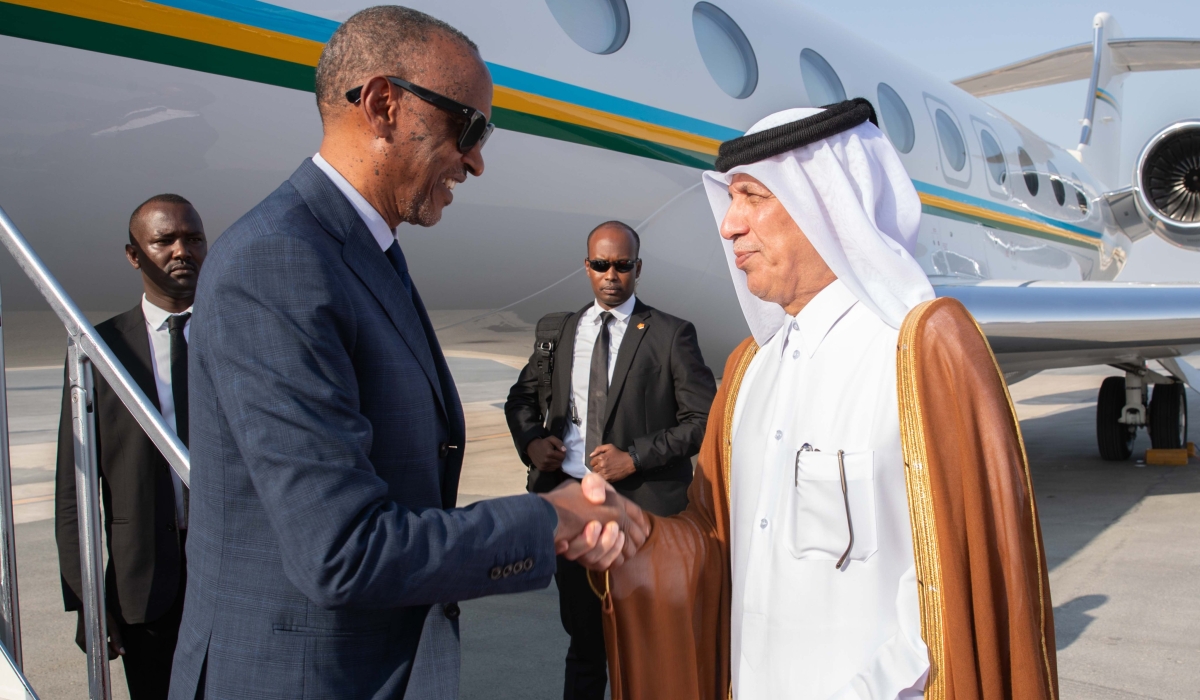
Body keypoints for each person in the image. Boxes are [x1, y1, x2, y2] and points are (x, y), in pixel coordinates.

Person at [168, 7, 646, 700]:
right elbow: (342, 550)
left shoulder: (361, 251)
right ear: (384, 105)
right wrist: (552, 517)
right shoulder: (277, 263)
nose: (476, 161)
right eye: (469, 128)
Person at [589, 100, 1059, 699]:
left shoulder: (917, 356)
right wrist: (636, 534)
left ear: (826, 204)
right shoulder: (746, 371)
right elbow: (715, 544)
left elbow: (955, 594)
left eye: (753, 197)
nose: (728, 226)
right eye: (730, 200)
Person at [505, 221, 717, 699]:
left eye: (622, 265)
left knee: (650, 644)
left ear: (638, 268)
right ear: (587, 267)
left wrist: (634, 457)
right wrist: (533, 442)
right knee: (584, 645)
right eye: (601, 264)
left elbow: (703, 419)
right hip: (574, 511)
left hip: (644, 513)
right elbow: (521, 400)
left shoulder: (670, 334)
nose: (611, 275)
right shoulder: (560, 332)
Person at [56, 193, 206, 700]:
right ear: (134, 255)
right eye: (165, 240)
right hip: (143, 587)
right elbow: (73, 489)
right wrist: (87, 600)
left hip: (232, 578)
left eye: (193, 238)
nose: (181, 251)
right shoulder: (99, 350)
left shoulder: (241, 333)